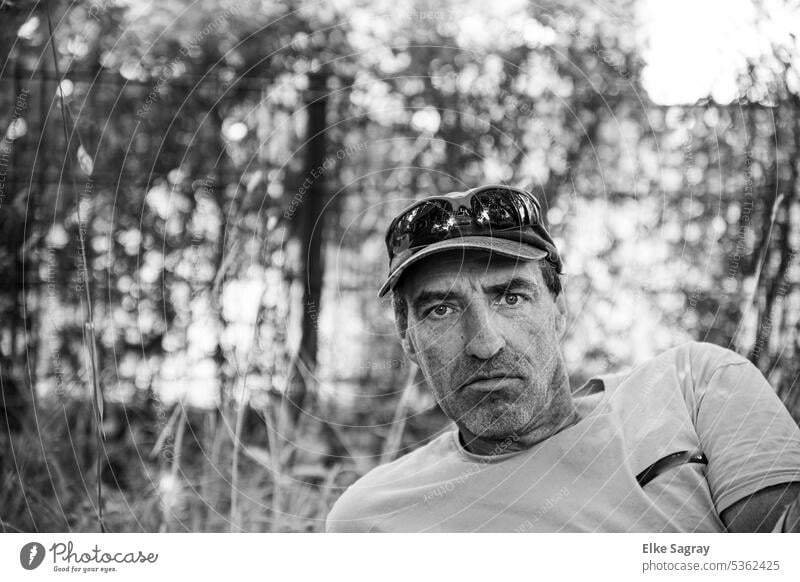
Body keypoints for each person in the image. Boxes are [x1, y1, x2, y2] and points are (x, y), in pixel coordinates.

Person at [325, 184, 800, 533]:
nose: (484, 344)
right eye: (442, 309)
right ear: (408, 337)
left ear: (560, 310)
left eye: (510, 297)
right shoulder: (372, 518)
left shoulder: (695, 383)